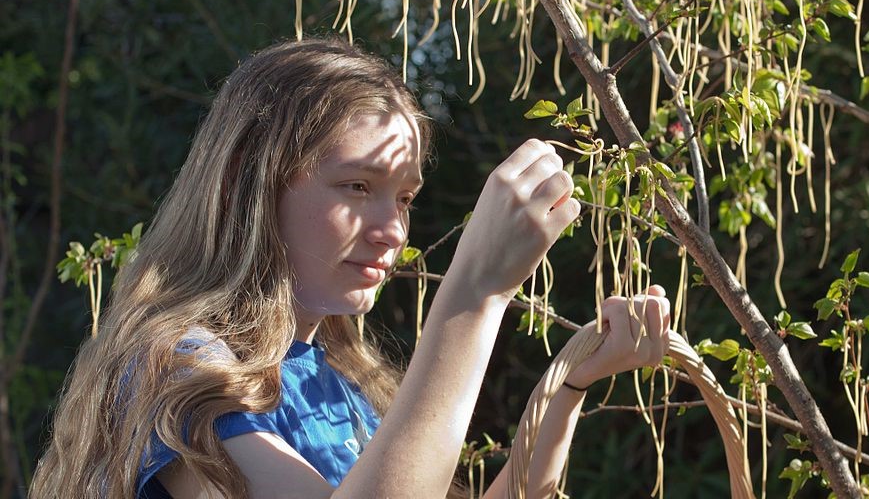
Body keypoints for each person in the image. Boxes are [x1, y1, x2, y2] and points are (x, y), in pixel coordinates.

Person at [30, 38, 672, 498]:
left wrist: (567, 387)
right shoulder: (178, 367)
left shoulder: (339, 382)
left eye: (405, 197)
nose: (392, 229)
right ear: (253, 187)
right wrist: (474, 296)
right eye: (358, 186)